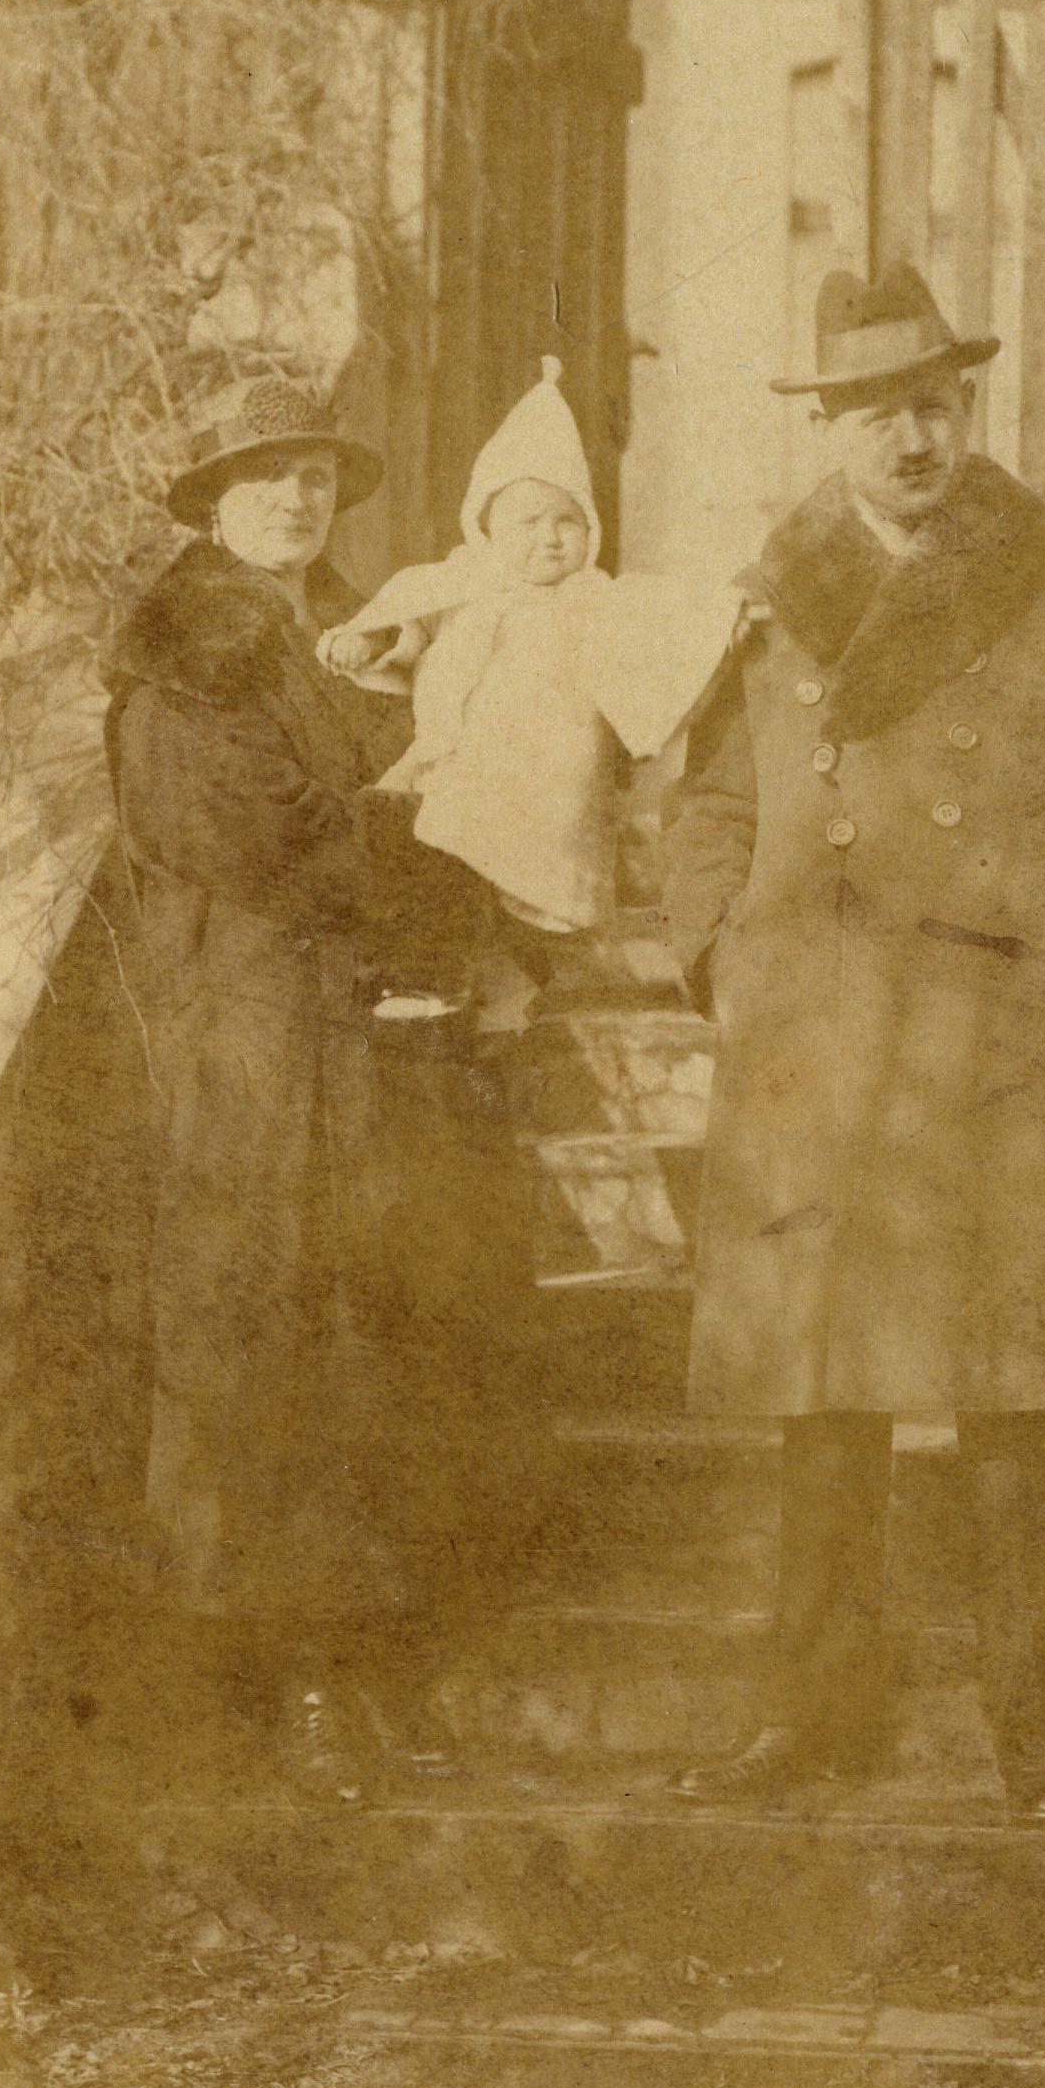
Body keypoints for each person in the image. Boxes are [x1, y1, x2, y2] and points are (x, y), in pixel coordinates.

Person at [660, 268, 1045, 1819]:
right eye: (876, 413)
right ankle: (809, 1716)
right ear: (827, 427)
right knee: (820, 1397)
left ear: (963, 412)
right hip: (815, 1031)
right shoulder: (768, 596)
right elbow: (705, 804)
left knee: (1014, 1403)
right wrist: (717, 955)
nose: (912, 439)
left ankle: (1036, 1732)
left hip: (999, 1033)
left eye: (934, 407)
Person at [103, 376, 504, 1799]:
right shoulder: (187, 658)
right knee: (251, 1338)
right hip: (244, 1036)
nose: (295, 496)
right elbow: (249, 838)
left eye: (316, 473)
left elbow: (461, 780)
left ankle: (367, 1659)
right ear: (212, 502)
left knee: (371, 1335)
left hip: (363, 1036)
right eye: (263, 474)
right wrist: (414, 823)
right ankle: (268, 1681)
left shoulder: (359, 634)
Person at [318, 355, 749, 964]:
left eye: (567, 521)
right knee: (421, 852)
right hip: (458, 761)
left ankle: (535, 953)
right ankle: (441, 964)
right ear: (487, 526)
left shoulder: (592, 595)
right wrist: (367, 642)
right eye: (529, 522)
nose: (549, 537)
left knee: (532, 880)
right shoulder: (462, 580)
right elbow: (409, 625)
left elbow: (664, 618)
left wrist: (723, 618)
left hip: (548, 780)